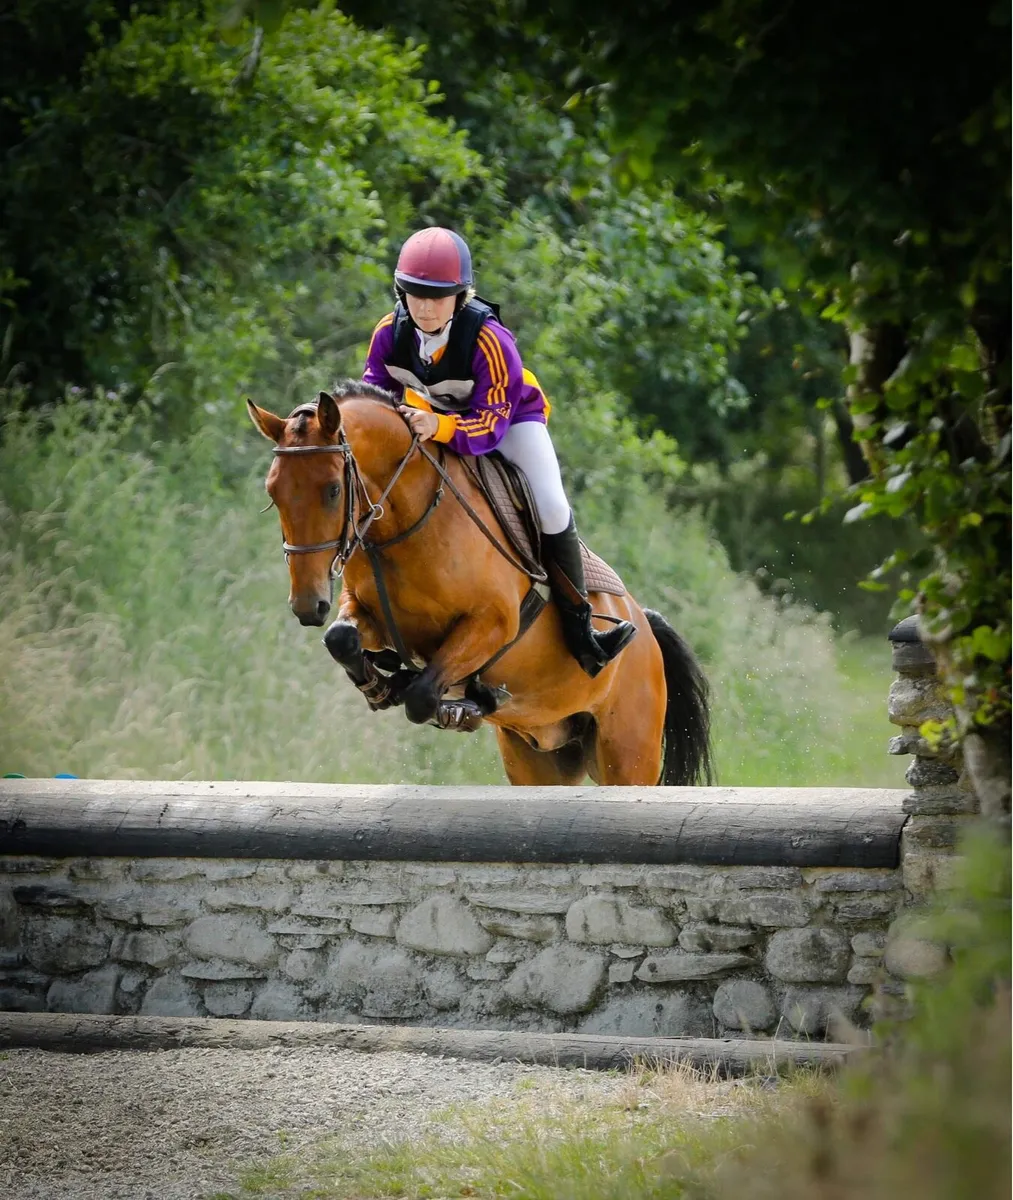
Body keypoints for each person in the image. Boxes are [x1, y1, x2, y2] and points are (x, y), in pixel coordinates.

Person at [362, 226, 636, 677]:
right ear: (401, 292)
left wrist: (439, 425)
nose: (426, 306)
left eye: (439, 296)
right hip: (439, 420)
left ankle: (581, 629)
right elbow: (374, 398)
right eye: (415, 295)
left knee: (550, 506)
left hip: (511, 421)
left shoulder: (489, 339)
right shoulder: (389, 334)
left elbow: (489, 426)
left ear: (461, 296)